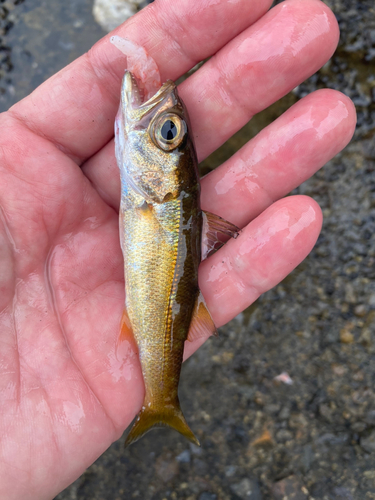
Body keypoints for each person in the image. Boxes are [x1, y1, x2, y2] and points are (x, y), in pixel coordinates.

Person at [0, 0, 356, 498]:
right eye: (171, 133)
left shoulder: (157, 198)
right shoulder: (153, 196)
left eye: (167, 133)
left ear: (171, 184)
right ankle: (160, 401)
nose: (163, 127)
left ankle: (160, 401)